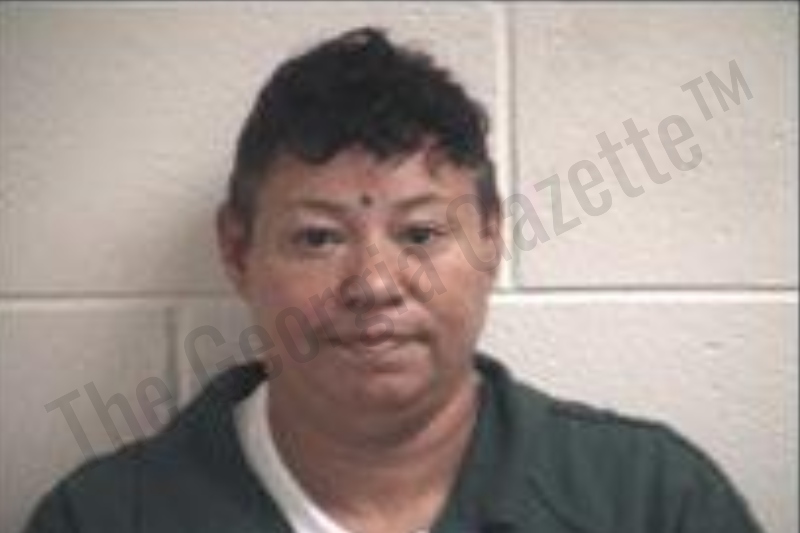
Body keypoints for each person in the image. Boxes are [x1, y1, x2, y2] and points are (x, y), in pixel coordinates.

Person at [24, 26, 764, 533]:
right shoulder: (102, 517)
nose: (374, 284)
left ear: (491, 239)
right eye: (317, 237)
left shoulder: (651, 500)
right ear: (238, 250)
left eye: (421, 234)